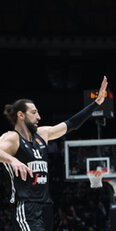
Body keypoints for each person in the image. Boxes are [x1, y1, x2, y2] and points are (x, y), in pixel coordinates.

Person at [0, 76, 108, 231]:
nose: (39, 117)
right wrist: (12, 160)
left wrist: (96, 103)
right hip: (26, 206)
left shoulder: (42, 134)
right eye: (34, 113)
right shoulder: (12, 138)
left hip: (46, 206)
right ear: (21, 115)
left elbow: (71, 124)